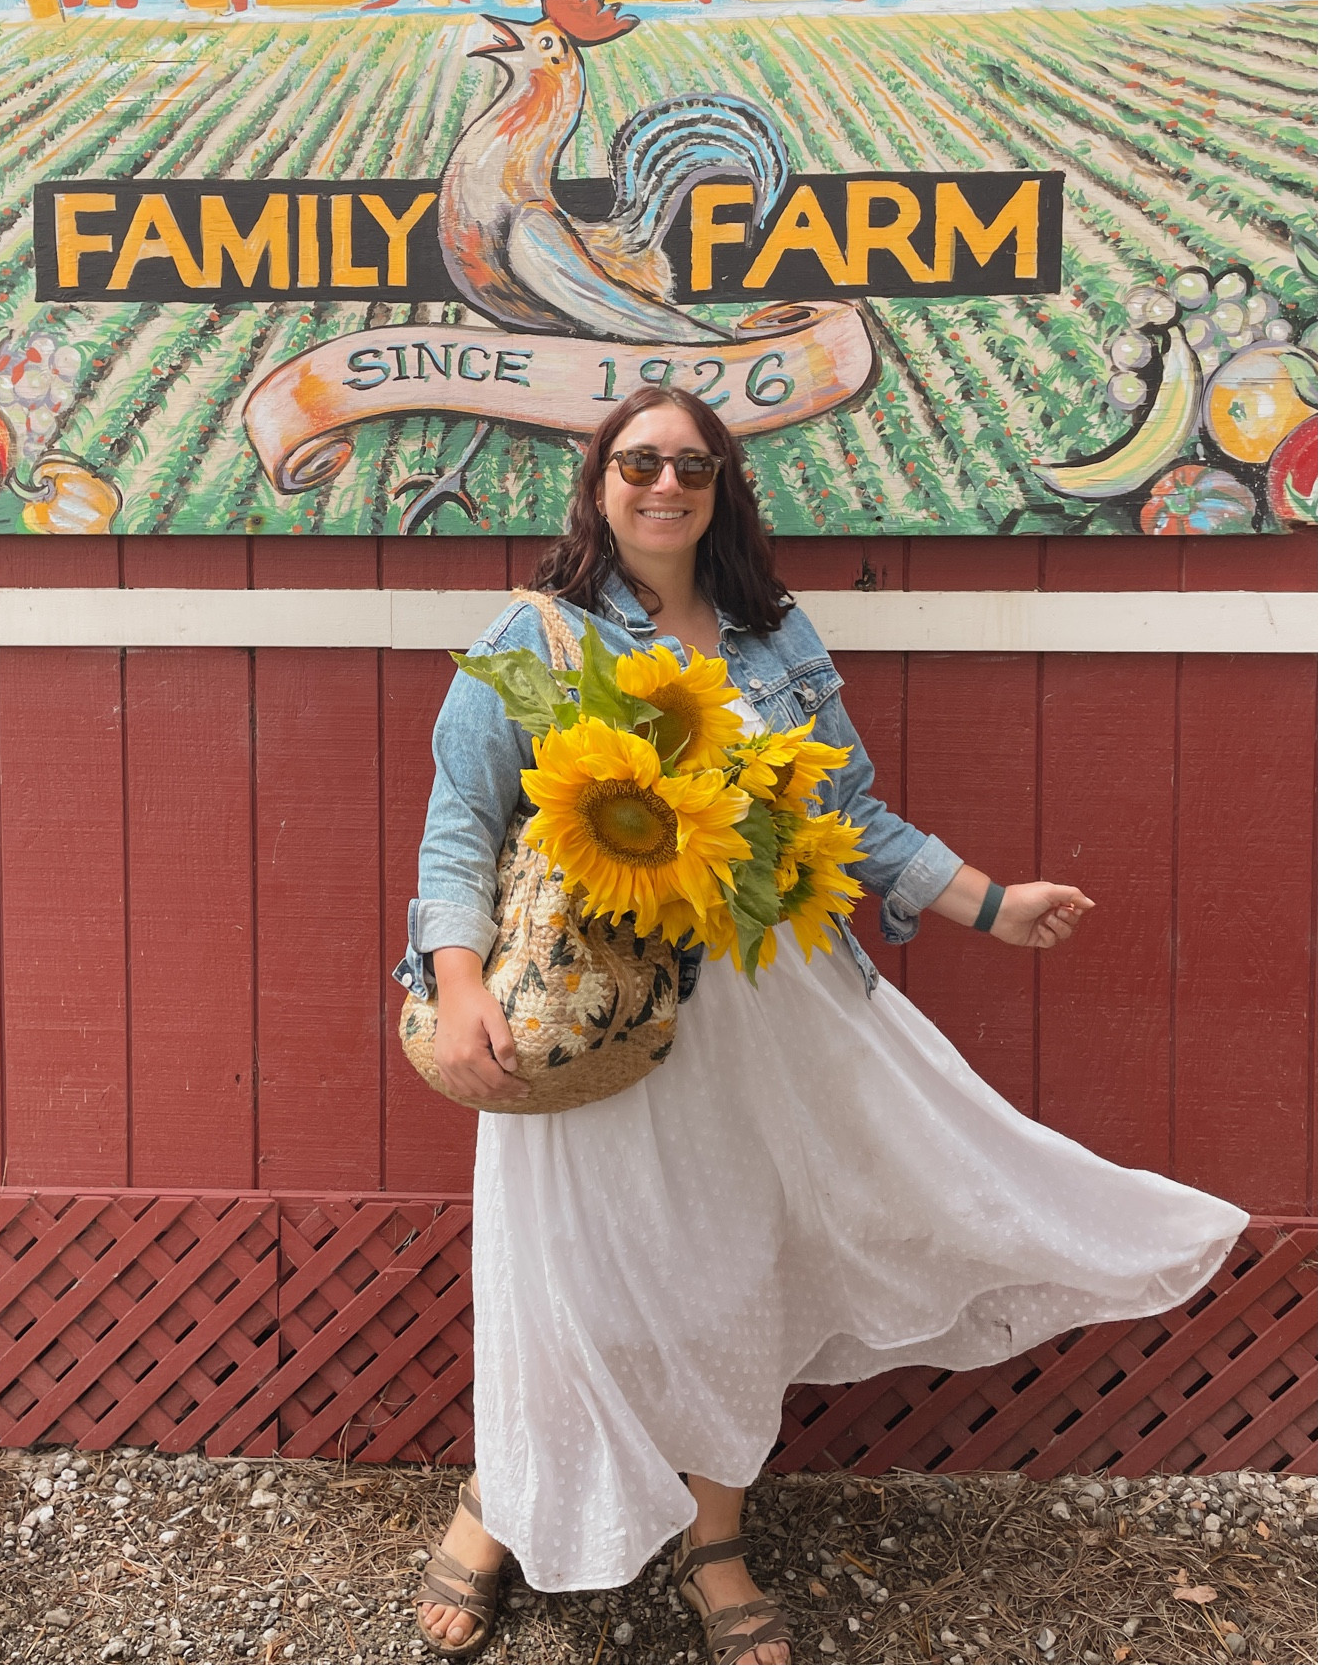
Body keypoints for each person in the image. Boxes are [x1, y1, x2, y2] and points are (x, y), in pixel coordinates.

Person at [400, 385, 1247, 1666]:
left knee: (735, 1266)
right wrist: (458, 987)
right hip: (588, 1018)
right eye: (638, 462)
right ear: (597, 482)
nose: (665, 484)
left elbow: (855, 820)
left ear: (723, 485)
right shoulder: (539, 637)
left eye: (692, 463)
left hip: (761, 1015)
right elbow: (460, 823)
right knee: (569, 1265)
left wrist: (990, 905)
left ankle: (714, 1538)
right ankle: (500, 1507)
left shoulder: (772, 637)